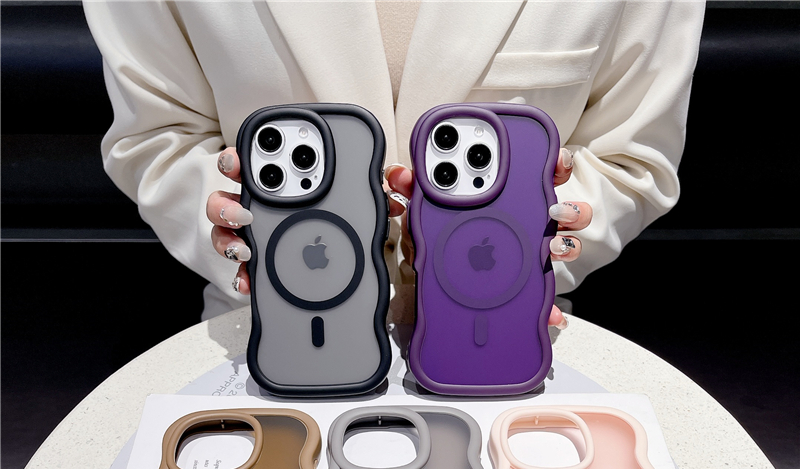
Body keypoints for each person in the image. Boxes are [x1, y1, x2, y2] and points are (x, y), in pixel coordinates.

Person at [83, 0, 705, 325]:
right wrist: (240, 230)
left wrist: (524, 256)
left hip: (514, 322)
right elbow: (159, 135)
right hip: (266, 323)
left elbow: (631, 157)